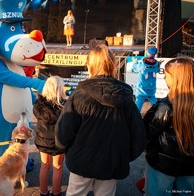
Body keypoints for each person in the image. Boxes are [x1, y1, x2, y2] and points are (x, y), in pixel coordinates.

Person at [55, 44, 147, 196]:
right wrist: (122, 156)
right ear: (112, 65)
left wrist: (66, 149)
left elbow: (64, 132)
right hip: (112, 163)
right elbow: (139, 134)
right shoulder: (126, 97)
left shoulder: (79, 95)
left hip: (81, 161)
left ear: (90, 66)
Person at [143, 57, 194, 195]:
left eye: (167, 75)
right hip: (190, 169)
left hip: (162, 167)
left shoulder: (164, 107)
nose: (165, 78)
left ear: (177, 79)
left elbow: (145, 133)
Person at [33, 76, 67, 196]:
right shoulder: (65, 106)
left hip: (43, 141)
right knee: (57, 167)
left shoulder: (39, 105)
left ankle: (43, 192)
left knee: (44, 166)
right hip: (59, 142)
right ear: (60, 89)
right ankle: (56, 193)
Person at [132, 46, 160, 112]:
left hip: (142, 88)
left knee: (138, 103)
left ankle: (136, 117)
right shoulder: (156, 64)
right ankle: (159, 112)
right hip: (152, 87)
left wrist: (135, 62)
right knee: (155, 103)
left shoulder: (143, 64)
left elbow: (134, 69)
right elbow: (158, 70)